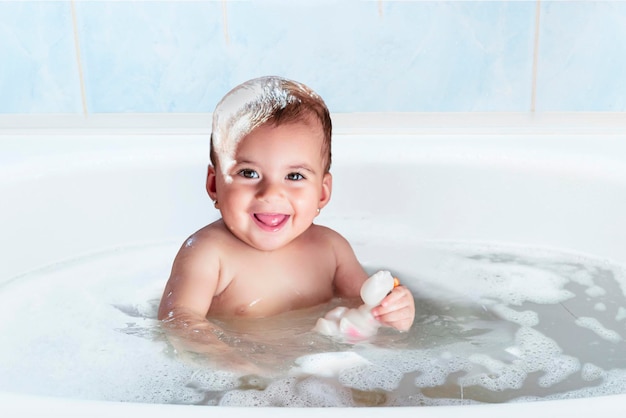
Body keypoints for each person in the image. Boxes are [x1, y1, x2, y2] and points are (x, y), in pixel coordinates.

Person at [157, 76, 415, 367]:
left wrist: (396, 311)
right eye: (249, 173)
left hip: (321, 373)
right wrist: (235, 367)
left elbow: (369, 308)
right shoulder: (208, 253)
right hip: (240, 385)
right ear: (215, 185)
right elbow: (178, 320)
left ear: (322, 192)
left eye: (294, 176)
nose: (271, 193)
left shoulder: (331, 250)